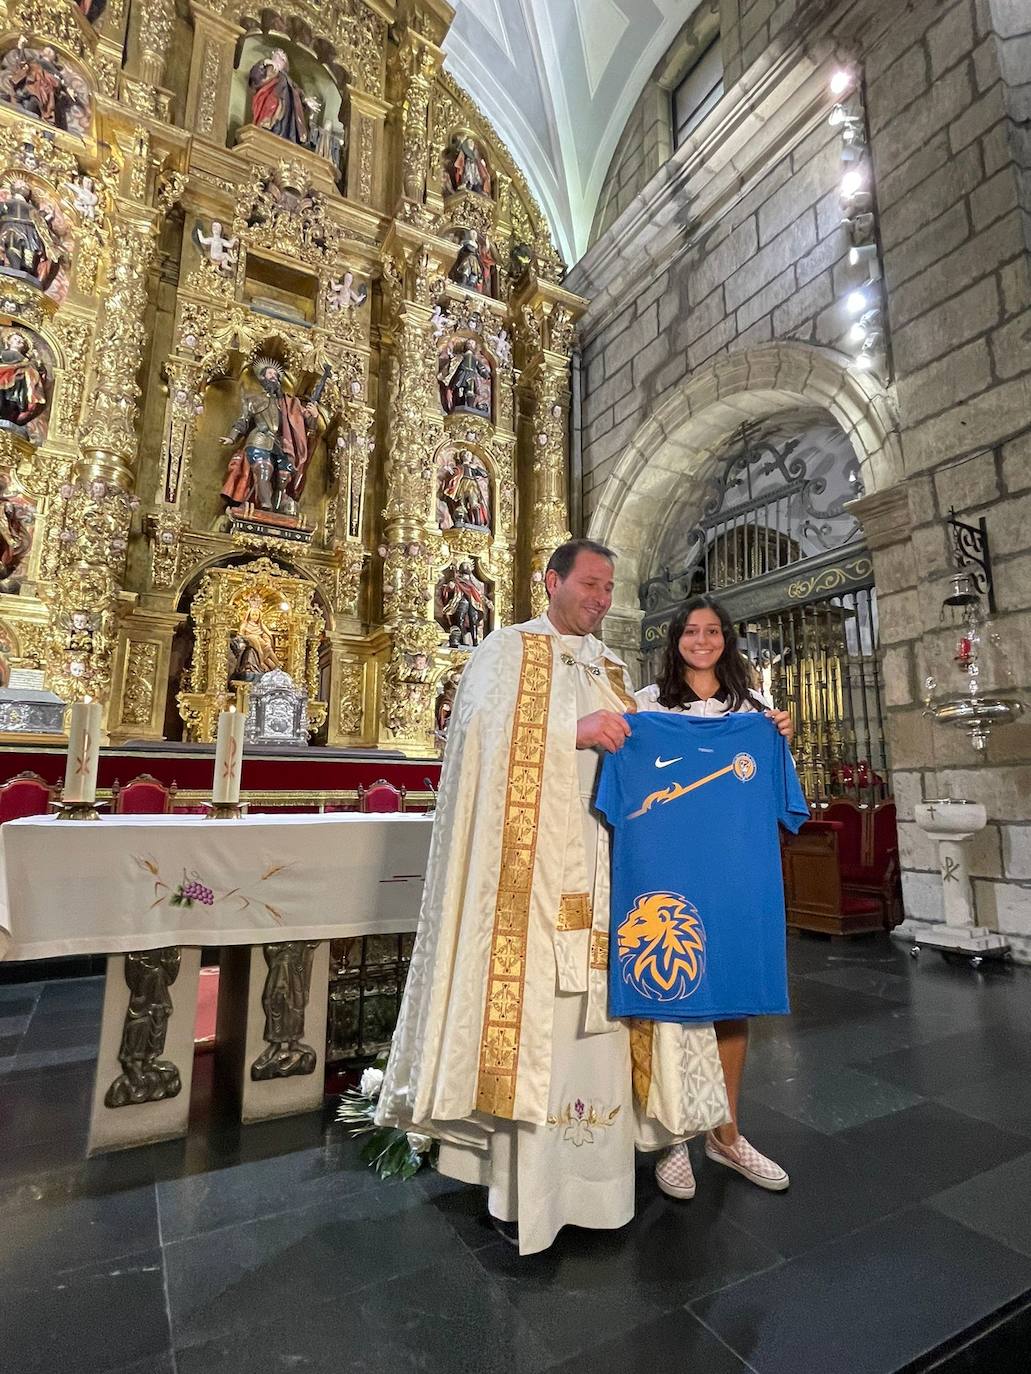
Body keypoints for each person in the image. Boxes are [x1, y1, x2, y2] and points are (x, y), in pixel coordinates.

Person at [376, 540, 730, 1255]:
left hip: (606, 872)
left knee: (602, 1014)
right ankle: (528, 1189)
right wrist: (572, 731)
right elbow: (471, 740)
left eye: (608, 588)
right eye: (591, 585)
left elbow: (650, 748)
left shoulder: (610, 667)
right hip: (527, 882)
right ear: (552, 582)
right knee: (539, 1021)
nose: (602, 599)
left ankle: (601, 1182)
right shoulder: (506, 650)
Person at [635, 594, 795, 1199]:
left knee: (729, 998)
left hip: (732, 871)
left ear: (726, 639)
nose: (702, 640)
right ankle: (674, 1136)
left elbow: (778, 792)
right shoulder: (647, 707)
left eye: (712, 631)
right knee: (673, 995)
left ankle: (726, 1134)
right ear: (675, 641)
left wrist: (782, 733)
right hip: (671, 869)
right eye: (690, 632)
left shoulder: (756, 710)